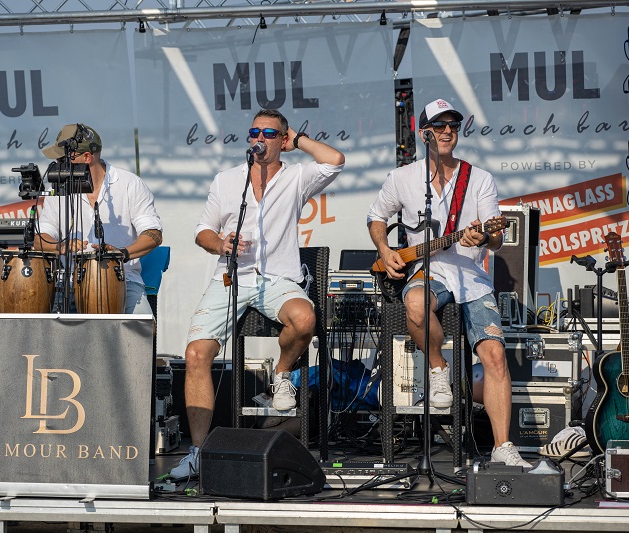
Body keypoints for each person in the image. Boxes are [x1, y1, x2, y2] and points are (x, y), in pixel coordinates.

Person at [169, 109, 345, 479]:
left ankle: (281, 375)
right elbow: (203, 231)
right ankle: (198, 453)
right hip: (232, 276)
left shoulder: (297, 176)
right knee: (196, 353)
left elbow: (335, 160)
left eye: (269, 133)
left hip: (278, 278)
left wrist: (298, 140)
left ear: (282, 141)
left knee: (305, 318)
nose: (259, 139)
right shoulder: (228, 180)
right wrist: (221, 244)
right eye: (254, 132)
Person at [367, 98, 531, 468]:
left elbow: (496, 236)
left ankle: (503, 446)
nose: (447, 132)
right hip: (426, 270)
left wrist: (484, 238)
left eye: (453, 126)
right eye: (439, 126)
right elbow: (376, 216)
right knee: (414, 305)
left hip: (470, 276)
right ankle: (439, 369)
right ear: (424, 133)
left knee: (494, 355)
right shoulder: (402, 179)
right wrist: (384, 247)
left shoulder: (480, 178)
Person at [36, 123, 163, 314]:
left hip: (123, 280)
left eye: (64, 158)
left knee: (141, 330)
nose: (58, 164)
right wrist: (60, 246)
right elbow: (39, 239)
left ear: (86, 157)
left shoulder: (129, 184)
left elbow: (153, 234)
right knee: (52, 334)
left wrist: (122, 254)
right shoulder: (59, 190)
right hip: (71, 283)